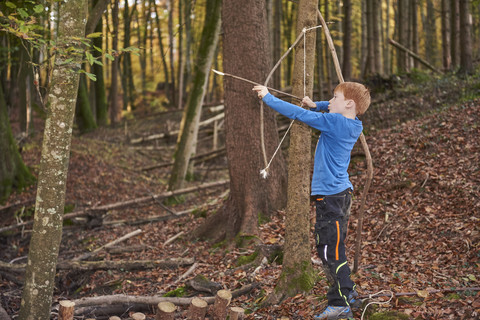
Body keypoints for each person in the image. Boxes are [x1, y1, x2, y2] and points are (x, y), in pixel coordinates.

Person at [253, 82, 370, 320]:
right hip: (339, 195)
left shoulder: (335, 122)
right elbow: (330, 107)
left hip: (331, 198)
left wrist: (268, 97)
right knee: (335, 249)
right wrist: (318, 103)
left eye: (334, 97)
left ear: (349, 104)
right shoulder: (353, 123)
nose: (330, 102)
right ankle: (348, 294)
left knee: (328, 252)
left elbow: (299, 114)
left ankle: (339, 304)